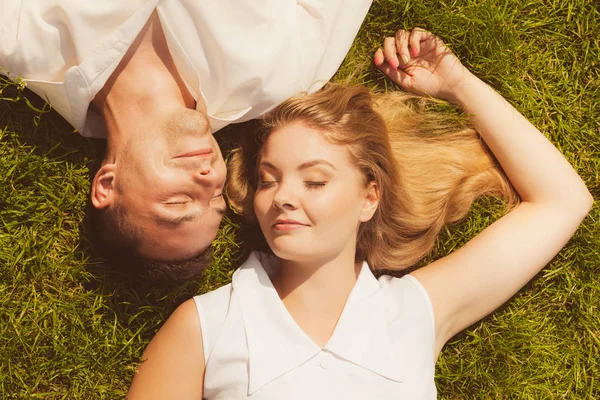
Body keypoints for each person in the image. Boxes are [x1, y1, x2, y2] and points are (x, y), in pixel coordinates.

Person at [125, 27, 592, 398]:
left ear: (369, 198)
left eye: (314, 180)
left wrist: (456, 84)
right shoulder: (206, 326)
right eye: (269, 179)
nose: (282, 197)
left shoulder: (412, 312)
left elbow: (562, 201)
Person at [0, 0, 372, 281]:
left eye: (177, 201)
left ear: (107, 184)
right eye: (215, 198)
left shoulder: (20, 39)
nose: (210, 180)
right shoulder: (274, 80)